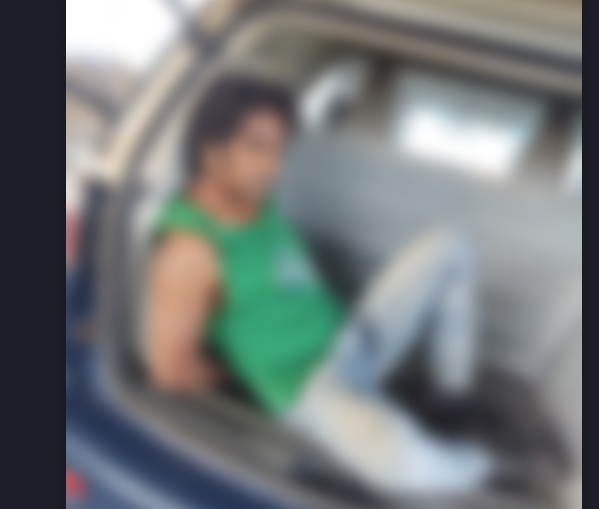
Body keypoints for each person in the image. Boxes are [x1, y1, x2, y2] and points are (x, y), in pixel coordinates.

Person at [146, 74, 495, 498]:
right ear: (211, 150)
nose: (273, 166)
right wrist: (233, 374)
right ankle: (487, 468)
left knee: (452, 244)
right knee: (404, 460)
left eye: (279, 149)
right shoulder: (189, 251)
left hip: (354, 340)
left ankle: (452, 402)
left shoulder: (255, 200)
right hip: (314, 392)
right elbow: (171, 371)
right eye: (257, 147)